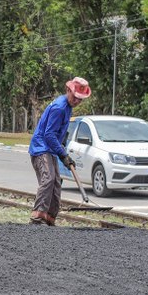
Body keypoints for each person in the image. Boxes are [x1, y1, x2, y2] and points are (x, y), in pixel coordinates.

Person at [28, 77, 91, 225]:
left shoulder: (67, 107)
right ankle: (37, 217)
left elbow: (58, 133)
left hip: (50, 148)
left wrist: (62, 147)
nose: (77, 101)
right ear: (68, 90)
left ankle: (50, 218)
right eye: (75, 98)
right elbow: (49, 135)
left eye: (80, 100)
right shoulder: (60, 107)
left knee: (56, 183)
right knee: (48, 179)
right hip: (41, 148)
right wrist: (63, 155)